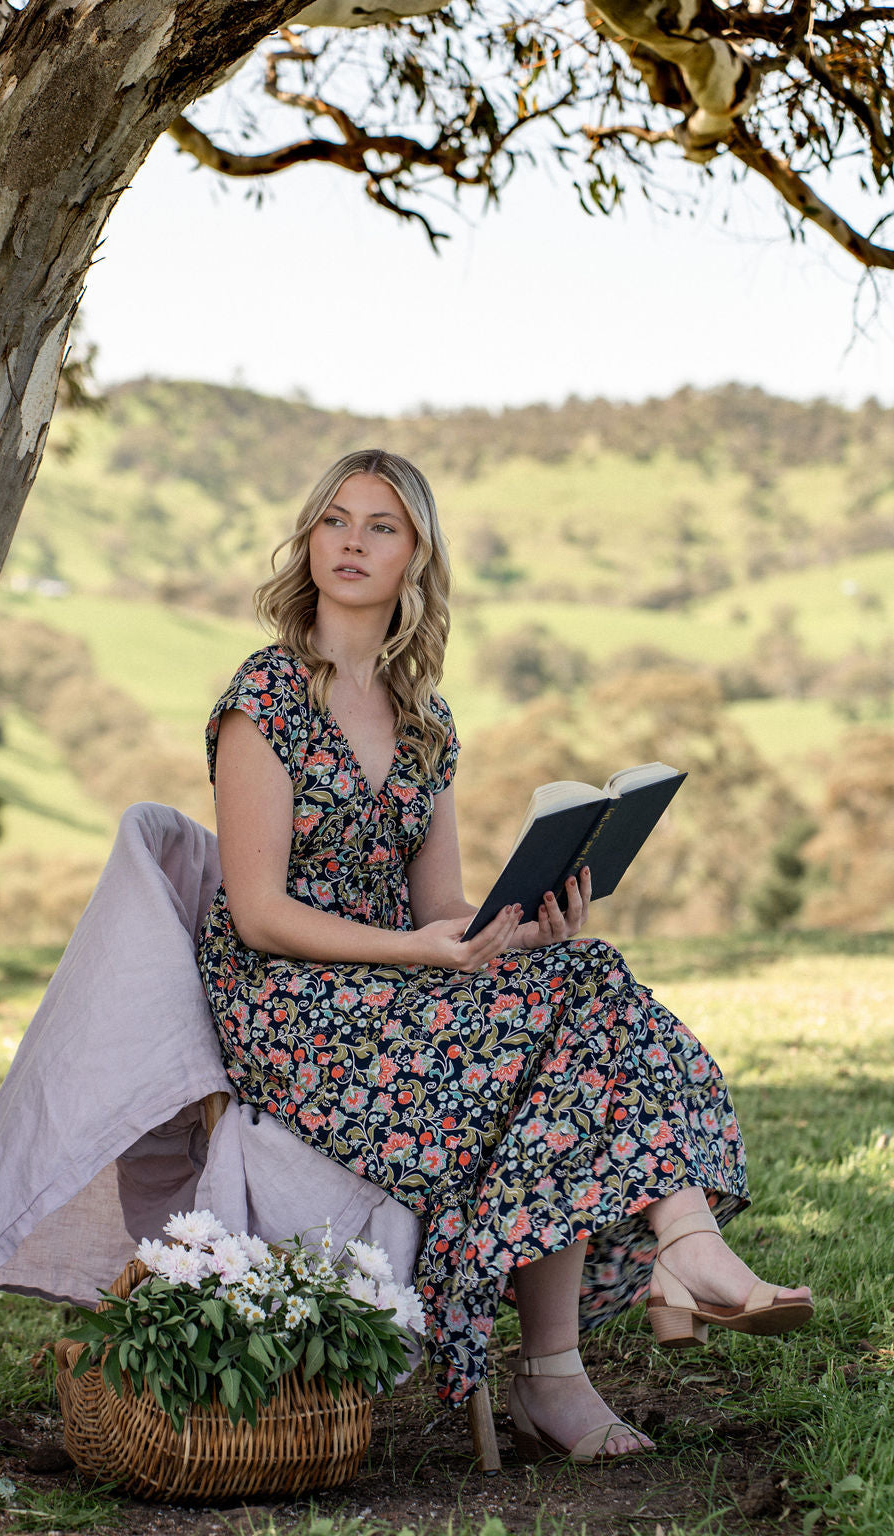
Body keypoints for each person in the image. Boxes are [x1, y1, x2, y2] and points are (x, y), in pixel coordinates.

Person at [196, 448, 813, 1465]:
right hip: (294, 1008)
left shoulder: (425, 720)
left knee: (581, 977)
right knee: (567, 1018)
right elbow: (258, 914)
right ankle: (616, 1318)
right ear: (308, 542)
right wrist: (419, 952)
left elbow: (444, 907)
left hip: (395, 986)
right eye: (335, 520)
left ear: (416, 559)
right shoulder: (263, 698)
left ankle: (655, 1278)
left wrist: (517, 930)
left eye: (380, 526)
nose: (352, 542)